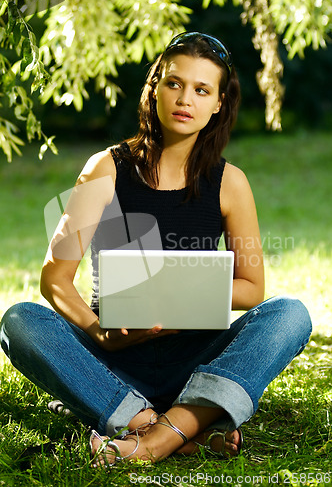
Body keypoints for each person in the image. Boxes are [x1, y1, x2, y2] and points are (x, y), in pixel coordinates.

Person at [0, 32, 312, 466]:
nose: (186, 99)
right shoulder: (105, 168)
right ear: (155, 87)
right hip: (113, 359)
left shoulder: (231, 183)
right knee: (20, 320)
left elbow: (252, 289)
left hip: (196, 361)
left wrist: (185, 302)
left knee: (290, 315)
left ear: (219, 103)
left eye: (202, 90)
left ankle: (151, 437)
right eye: (174, 83)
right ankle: (179, 426)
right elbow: (54, 278)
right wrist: (101, 336)